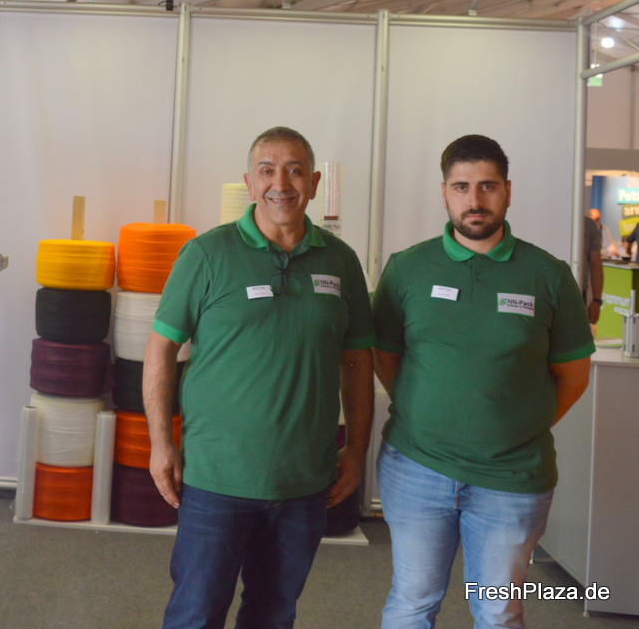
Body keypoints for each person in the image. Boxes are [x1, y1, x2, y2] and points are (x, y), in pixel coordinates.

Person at [143, 126, 374, 629]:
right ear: (249, 183)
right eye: (267, 171)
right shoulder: (207, 255)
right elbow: (160, 349)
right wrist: (161, 443)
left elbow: (358, 363)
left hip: (304, 482)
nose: (280, 184)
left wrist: (357, 450)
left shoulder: (341, 261)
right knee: (196, 614)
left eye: (294, 170)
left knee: (273, 614)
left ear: (314, 183)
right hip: (216, 478)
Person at [373, 134, 595, 629]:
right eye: (461, 187)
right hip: (416, 469)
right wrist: (425, 410)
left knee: (498, 611)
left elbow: (573, 376)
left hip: (511, 478)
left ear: (508, 191)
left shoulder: (548, 275)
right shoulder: (407, 268)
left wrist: (516, 425)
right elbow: (385, 358)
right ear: (444, 193)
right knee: (411, 601)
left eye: (488, 186)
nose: (474, 200)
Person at [582, 208, 603, 322]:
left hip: (578, 291)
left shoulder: (589, 225)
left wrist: (596, 300)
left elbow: (596, 266)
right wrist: (596, 301)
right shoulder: (589, 225)